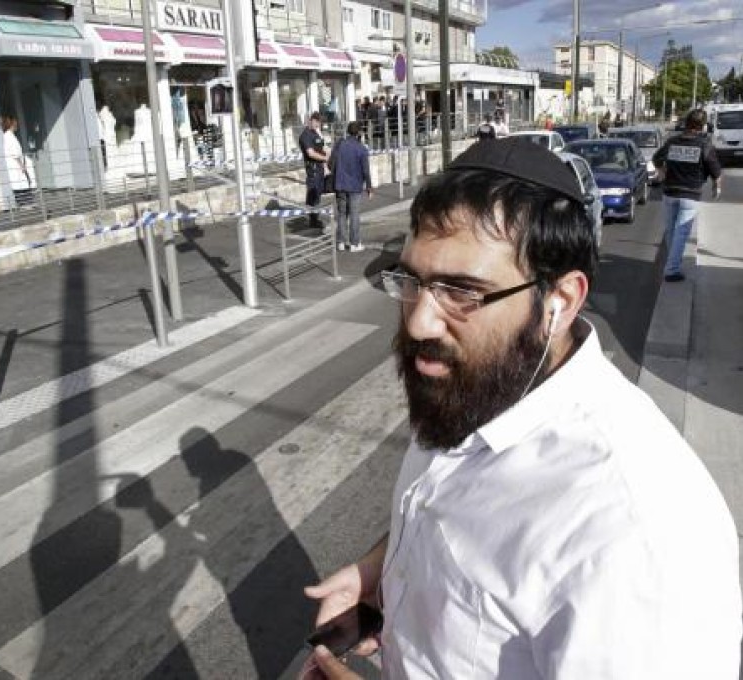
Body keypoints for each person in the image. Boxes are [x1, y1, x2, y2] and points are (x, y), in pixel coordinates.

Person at [302, 137, 740, 679]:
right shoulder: (481, 383)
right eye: (413, 281)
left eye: (463, 292)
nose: (418, 322)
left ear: (560, 301)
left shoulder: (635, 536)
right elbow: (457, 512)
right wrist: (383, 572)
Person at [652, 108, 721, 283]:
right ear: (702, 126)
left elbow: (656, 158)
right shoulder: (704, 145)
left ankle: (671, 263)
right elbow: (715, 171)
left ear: (686, 123)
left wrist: (662, 174)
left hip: (669, 192)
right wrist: (716, 188)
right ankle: (672, 269)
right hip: (690, 194)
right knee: (681, 232)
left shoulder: (673, 142)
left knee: (671, 230)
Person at [329, 121, 372, 253]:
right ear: (359, 133)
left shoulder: (339, 145)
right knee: (354, 214)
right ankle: (354, 243)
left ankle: (341, 242)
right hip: (354, 186)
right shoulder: (362, 149)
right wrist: (369, 187)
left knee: (342, 214)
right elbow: (365, 171)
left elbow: (330, 164)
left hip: (340, 184)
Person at [298, 111, 328, 231]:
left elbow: (322, 147)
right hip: (313, 168)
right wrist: (325, 158)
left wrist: (326, 165)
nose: (318, 125)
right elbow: (311, 153)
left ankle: (315, 217)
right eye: (317, 122)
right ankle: (312, 219)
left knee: (318, 194)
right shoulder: (305, 135)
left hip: (320, 168)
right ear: (311, 120)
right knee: (313, 194)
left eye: (319, 123)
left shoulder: (315, 133)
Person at [1, 115, 34, 205]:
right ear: (12, 124)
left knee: (21, 183)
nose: (17, 124)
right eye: (15, 122)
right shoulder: (8, 136)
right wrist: (21, 165)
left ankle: (24, 203)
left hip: (16, 164)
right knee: (20, 184)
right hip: (15, 164)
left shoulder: (9, 135)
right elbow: (14, 153)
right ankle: (24, 203)